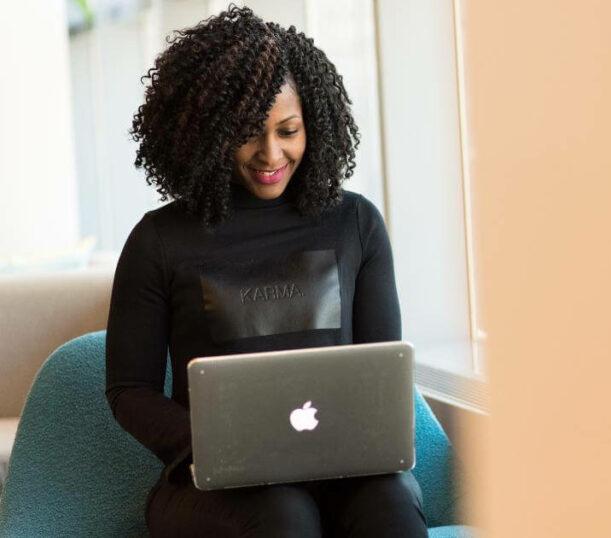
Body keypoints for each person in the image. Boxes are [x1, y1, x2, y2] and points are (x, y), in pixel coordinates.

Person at [104, 5, 427, 537]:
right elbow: (128, 390)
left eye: (288, 130)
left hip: (344, 471)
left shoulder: (356, 223)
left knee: (388, 504)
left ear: (313, 123)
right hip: (217, 485)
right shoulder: (158, 240)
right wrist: (223, 444)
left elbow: (380, 376)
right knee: (284, 514)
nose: (270, 153)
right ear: (207, 133)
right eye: (248, 134)